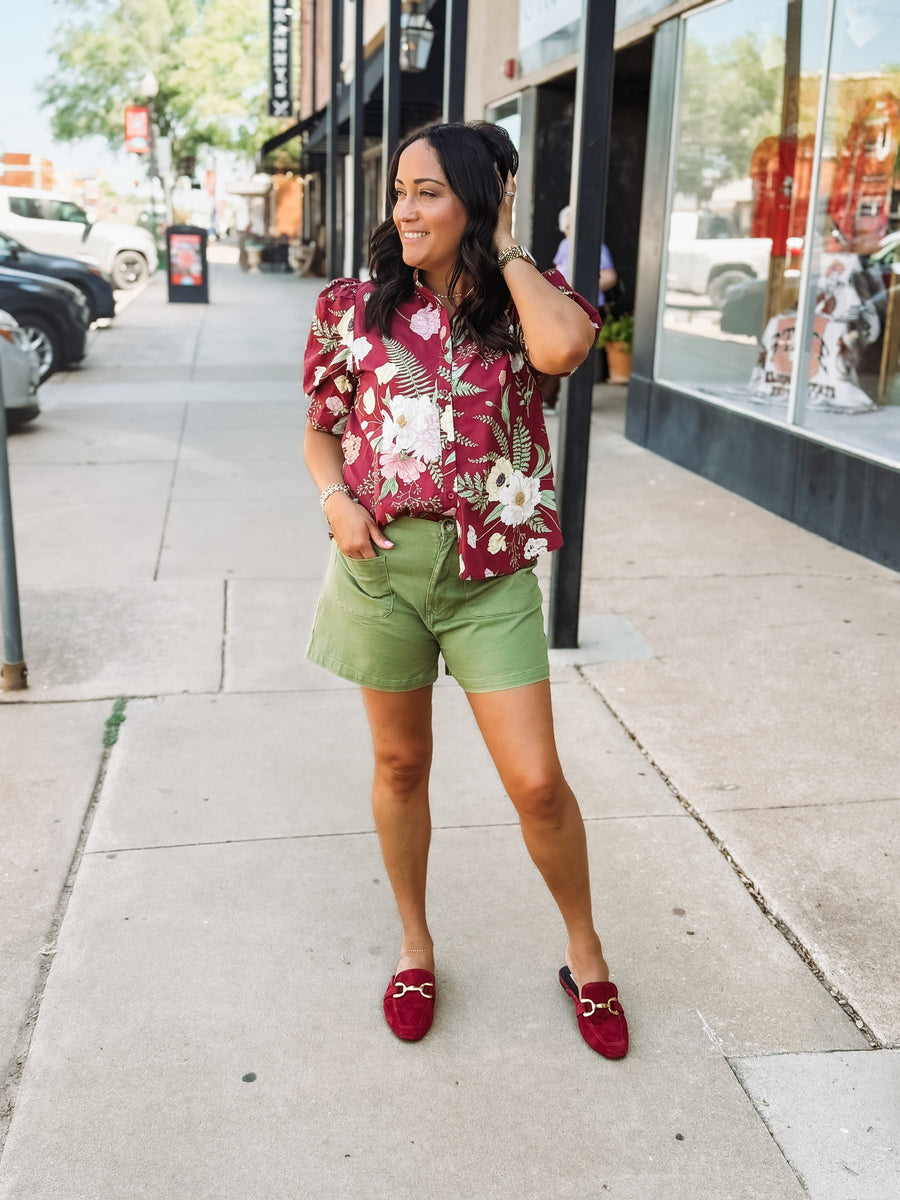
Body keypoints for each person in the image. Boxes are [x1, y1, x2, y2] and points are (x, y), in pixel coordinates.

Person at [302, 121, 628, 1059]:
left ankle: (586, 955)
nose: (405, 209)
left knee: (538, 784)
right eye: (400, 191)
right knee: (400, 766)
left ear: (478, 202)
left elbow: (564, 352)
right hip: (381, 570)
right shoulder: (352, 306)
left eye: (430, 191)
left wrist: (508, 243)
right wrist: (335, 501)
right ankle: (415, 947)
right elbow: (322, 426)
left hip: (490, 581)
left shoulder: (526, 302)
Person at [541, 205, 617, 412]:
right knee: (555, 348)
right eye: (567, 227)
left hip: (586, 307)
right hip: (564, 306)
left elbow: (610, 277)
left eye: (572, 226)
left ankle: (562, 400)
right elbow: (558, 271)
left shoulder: (597, 247)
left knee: (575, 352)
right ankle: (547, 397)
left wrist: (584, 284)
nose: (569, 231)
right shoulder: (564, 245)